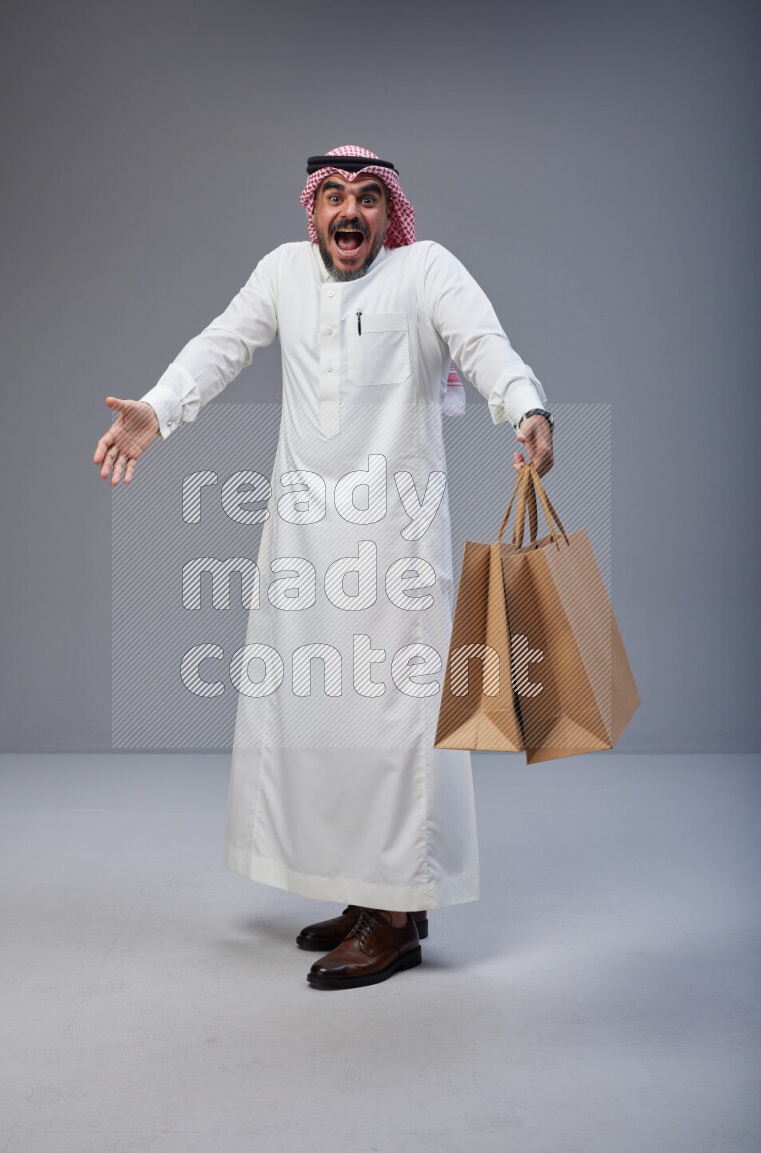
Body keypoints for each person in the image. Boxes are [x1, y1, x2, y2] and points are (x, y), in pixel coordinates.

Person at [94, 145, 554, 990]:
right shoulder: (282, 274)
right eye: (334, 196)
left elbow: (485, 344)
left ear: (390, 212)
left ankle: (397, 920)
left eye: (369, 198)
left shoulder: (426, 273)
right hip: (304, 543)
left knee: (392, 724)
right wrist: (157, 411)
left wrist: (525, 406)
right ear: (311, 212)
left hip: (395, 545)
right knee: (319, 716)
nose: (350, 212)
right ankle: (370, 894)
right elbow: (219, 346)